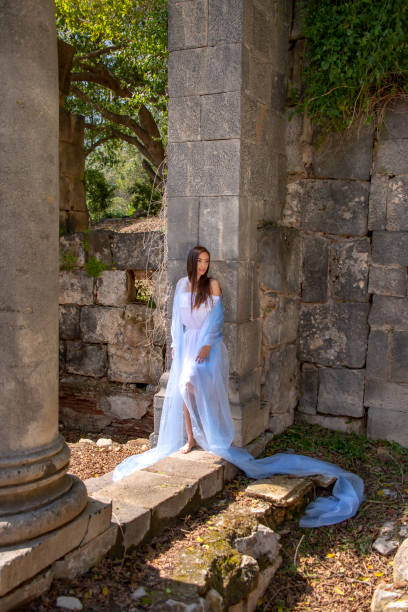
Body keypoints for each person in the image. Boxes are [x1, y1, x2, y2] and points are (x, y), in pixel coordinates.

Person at [113, 246, 364, 528]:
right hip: (186, 344)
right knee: (183, 389)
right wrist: (174, 344)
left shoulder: (214, 285)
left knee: (193, 384)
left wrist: (207, 344)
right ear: (191, 262)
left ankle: (209, 430)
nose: (204, 266)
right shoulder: (182, 284)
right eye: (200, 262)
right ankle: (189, 438)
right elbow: (175, 320)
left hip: (208, 345)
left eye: (207, 262)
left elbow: (216, 319)